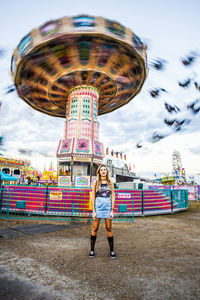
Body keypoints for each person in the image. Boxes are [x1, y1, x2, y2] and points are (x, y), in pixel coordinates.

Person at [89, 164, 116, 258]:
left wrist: (112, 210)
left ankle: (112, 251)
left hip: (107, 206)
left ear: (107, 172)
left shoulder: (110, 182)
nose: (103, 171)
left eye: (105, 170)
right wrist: (93, 211)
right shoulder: (96, 182)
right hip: (98, 206)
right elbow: (93, 196)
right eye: (101, 170)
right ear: (99, 172)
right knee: (95, 228)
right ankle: (92, 250)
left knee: (109, 228)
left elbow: (112, 196)